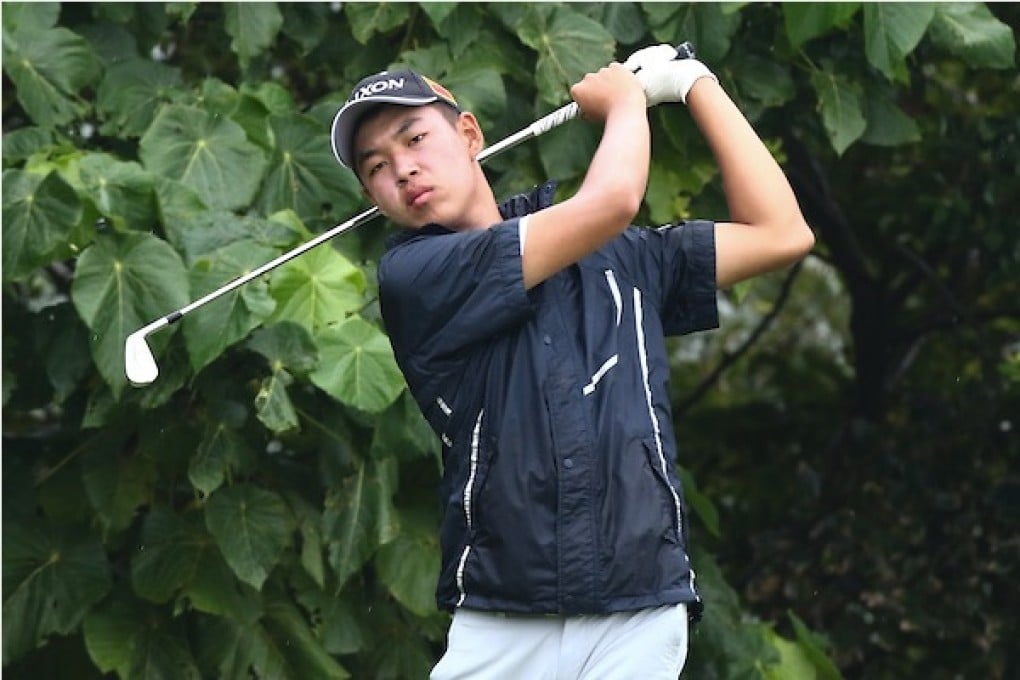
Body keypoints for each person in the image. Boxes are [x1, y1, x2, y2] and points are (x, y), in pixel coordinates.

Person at [329, 45, 814, 679]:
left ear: (469, 134)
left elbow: (782, 232)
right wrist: (625, 105)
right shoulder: (414, 276)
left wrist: (697, 84)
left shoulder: (622, 260)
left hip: (639, 603)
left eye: (416, 138)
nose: (404, 169)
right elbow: (612, 199)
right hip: (502, 617)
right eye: (377, 167)